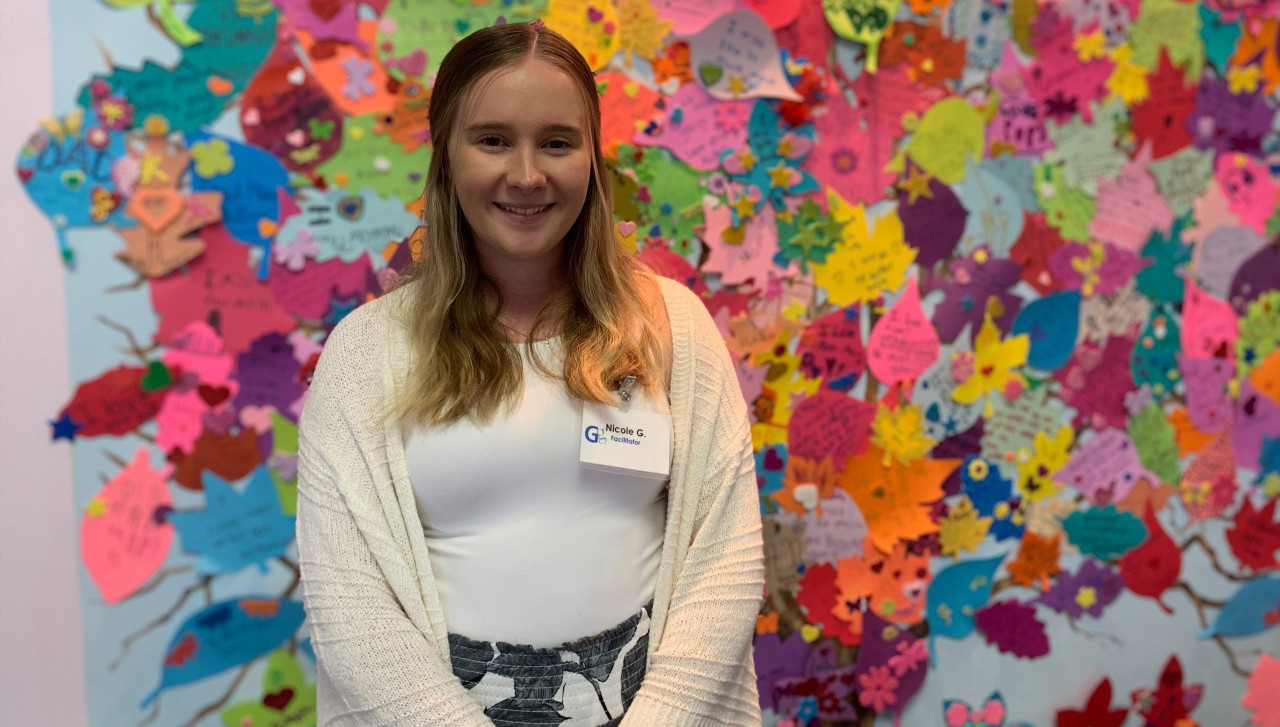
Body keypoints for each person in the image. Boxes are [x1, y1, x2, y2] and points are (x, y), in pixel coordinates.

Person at [296, 21, 764, 727]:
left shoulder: (677, 327)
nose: (525, 174)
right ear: (446, 157)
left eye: (556, 141)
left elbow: (725, 559)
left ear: (592, 157)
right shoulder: (365, 355)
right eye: (491, 140)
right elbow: (348, 604)